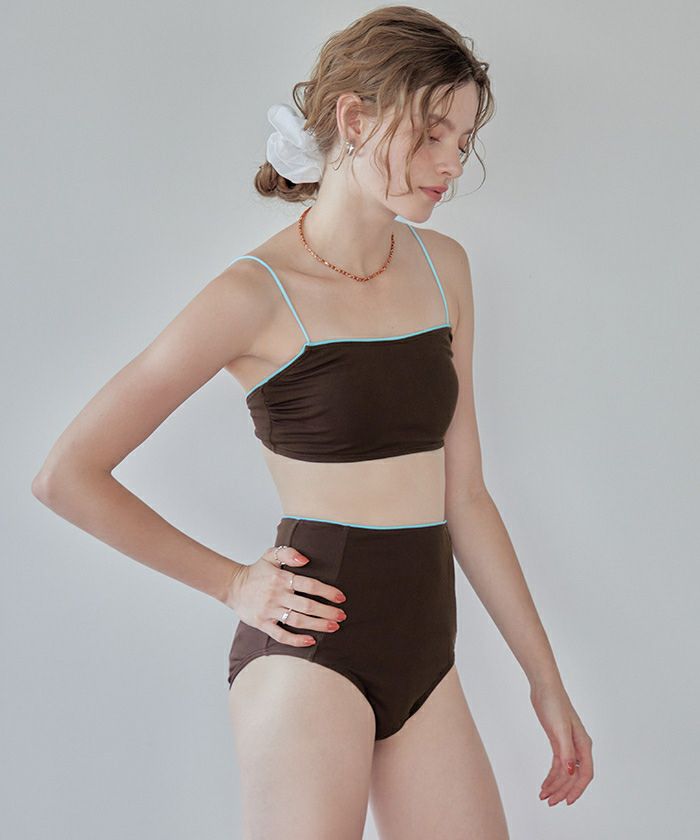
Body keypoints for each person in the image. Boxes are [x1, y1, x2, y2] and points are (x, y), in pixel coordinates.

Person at [32, 6, 593, 838]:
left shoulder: (445, 269)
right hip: (308, 655)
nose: (451, 163)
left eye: (464, 140)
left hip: (427, 655)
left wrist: (544, 679)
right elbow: (67, 476)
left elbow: (466, 494)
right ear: (354, 119)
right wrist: (232, 583)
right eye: (432, 133)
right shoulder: (253, 295)